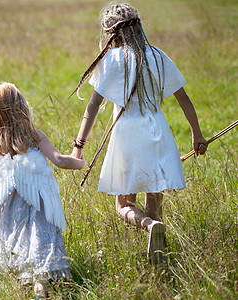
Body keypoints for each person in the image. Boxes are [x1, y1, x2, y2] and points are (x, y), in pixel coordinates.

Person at [70, 3, 208, 265]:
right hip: (159, 134)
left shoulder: (111, 59)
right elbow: (184, 99)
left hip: (128, 136)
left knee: (123, 206)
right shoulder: (157, 55)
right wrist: (197, 135)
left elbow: (93, 106)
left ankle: (147, 225)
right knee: (155, 201)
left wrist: (79, 145)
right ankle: (158, 257)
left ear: (111, 33)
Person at [0, 82, 85, 298]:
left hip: (8, 212)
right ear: (21, 107)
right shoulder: (34, 136)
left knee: (20, 248)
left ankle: (32, 287)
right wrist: (80, 161)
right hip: (37, 205)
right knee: (40, 244)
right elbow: (59, 161)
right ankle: (41, 290)